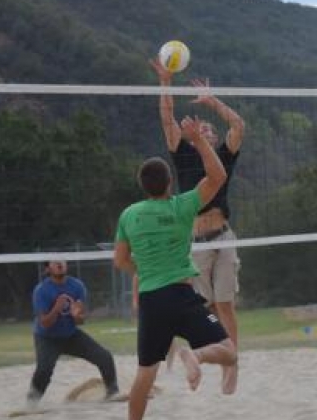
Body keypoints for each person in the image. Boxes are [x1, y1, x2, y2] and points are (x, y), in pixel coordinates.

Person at [113, 115, 238, 420]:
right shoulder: (182, 205)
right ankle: (195, 354)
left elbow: (120, 260)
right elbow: (218, 176)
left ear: (143, 186)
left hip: (151, 300)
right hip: (181, 296)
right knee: (228, 351)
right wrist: (197, 140)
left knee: (145, 374)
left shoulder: (129, 215)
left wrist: (140, 271)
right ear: (170, 183)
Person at [151, 60, 244, 384]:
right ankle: (201, 351)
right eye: (199, 128)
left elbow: (238, 126)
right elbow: (166, 119)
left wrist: (212, 101)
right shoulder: (184, 154)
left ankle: (231, 364)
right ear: (191, 137)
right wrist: (166, 81)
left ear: (214, 137)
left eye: (208, 128)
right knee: (207, 308)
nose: (204, 128)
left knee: (225, 304)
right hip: (197, 243)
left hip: (223, 236)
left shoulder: (223, 156)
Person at [26, 259, 119, 406]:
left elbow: (80, 320)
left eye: (62, 261)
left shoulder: (77, 286)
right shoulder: (41, 290)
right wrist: (57, 307)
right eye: (54, 262)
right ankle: (31, 404)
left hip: (71, 335)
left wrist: (77, 316)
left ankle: (112, 393)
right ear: (48, 269)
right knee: (44, 370)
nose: (59, 264)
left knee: (105, 357)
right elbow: (45, 323)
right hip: (47, 338)